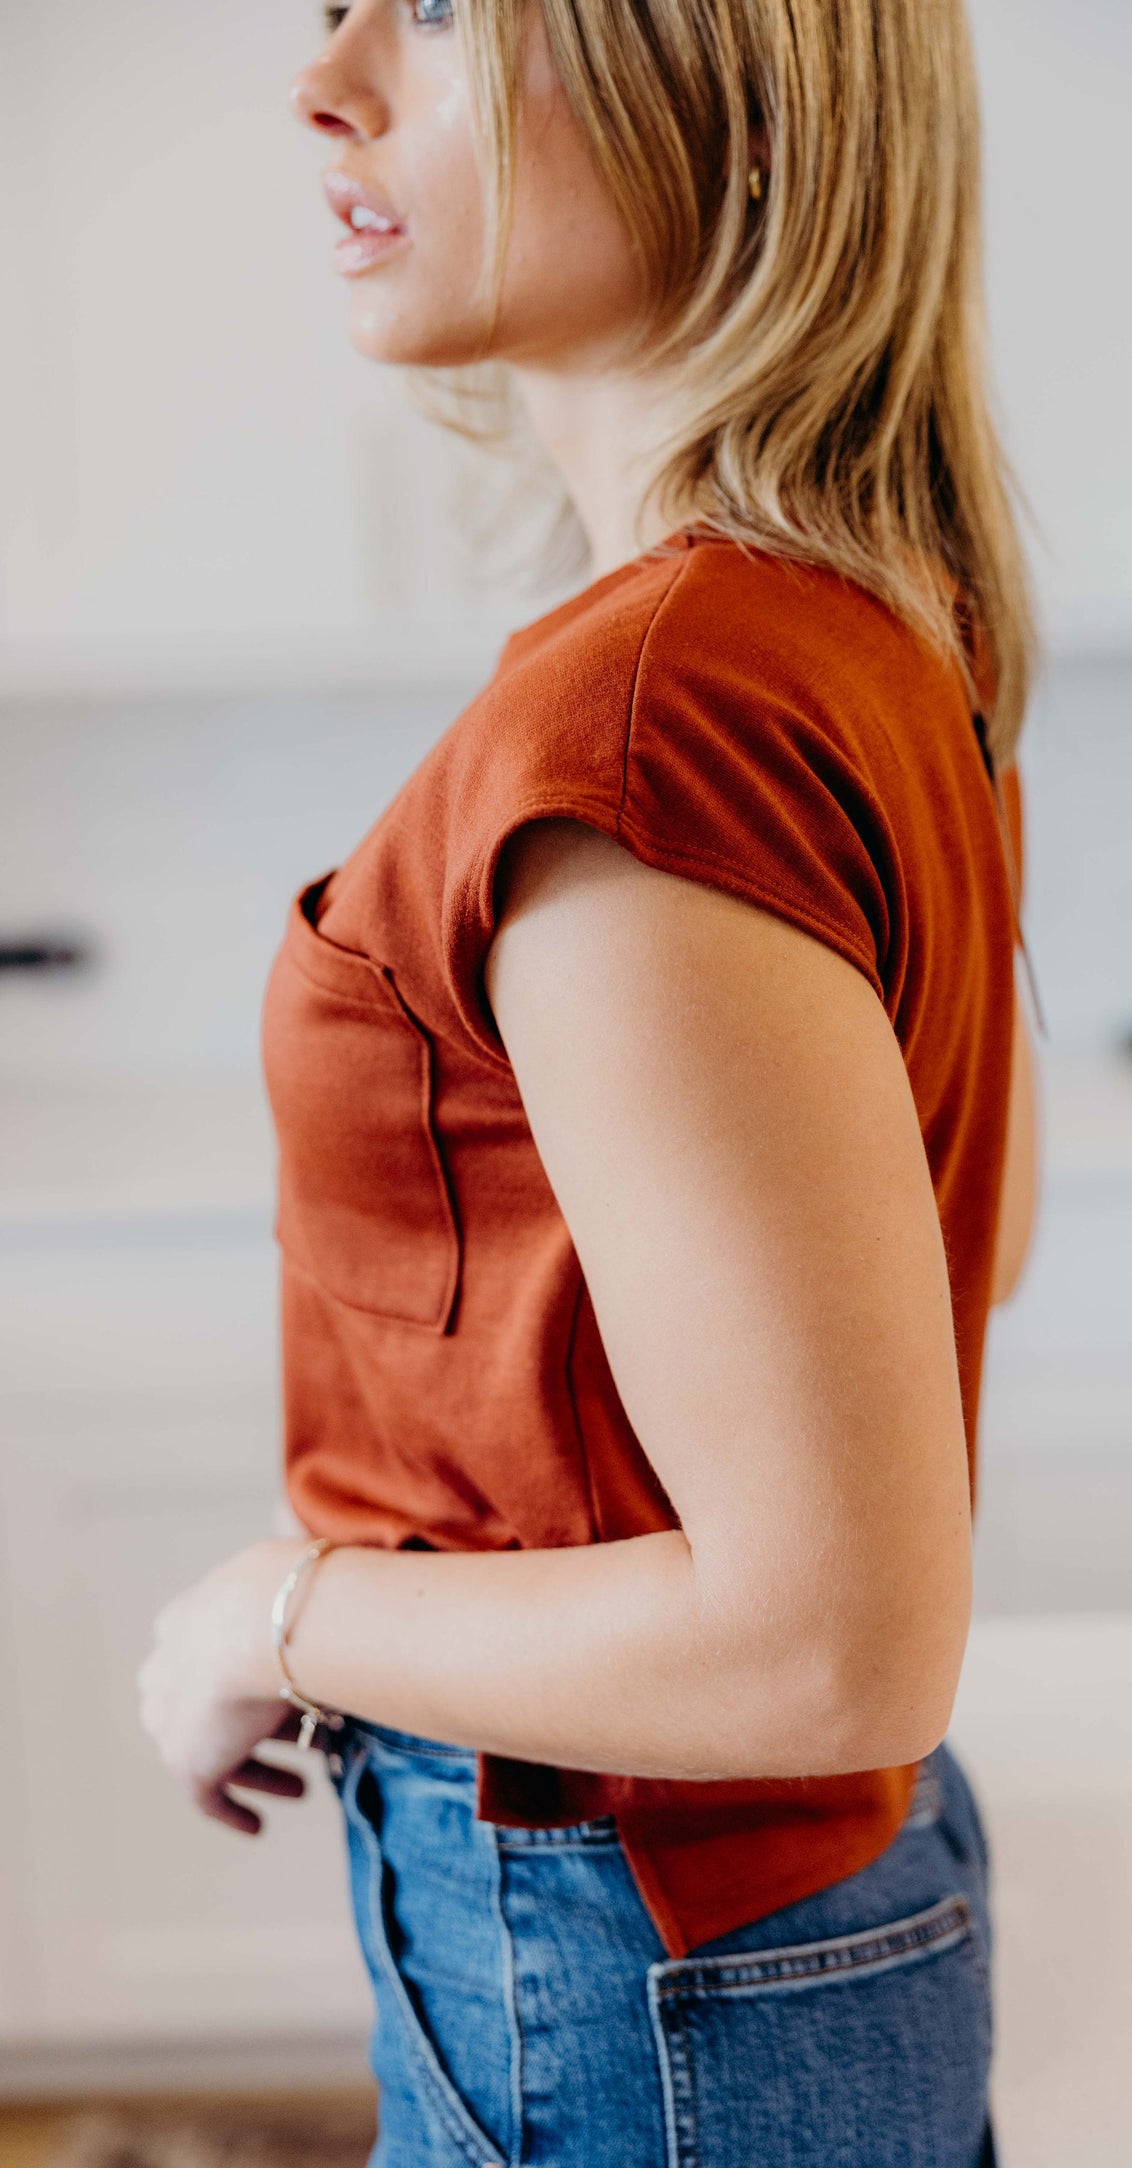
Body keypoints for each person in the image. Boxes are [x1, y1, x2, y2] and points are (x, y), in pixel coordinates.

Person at [139, 0, 1037, 2160]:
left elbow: (830, 1642)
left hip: (633, 1937)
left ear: (731, 90)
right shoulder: (852, 625)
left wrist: (272, 1614)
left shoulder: (651, 719)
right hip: (740, 1923)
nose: (326, 75)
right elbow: (960, 1270)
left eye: (444, 11)